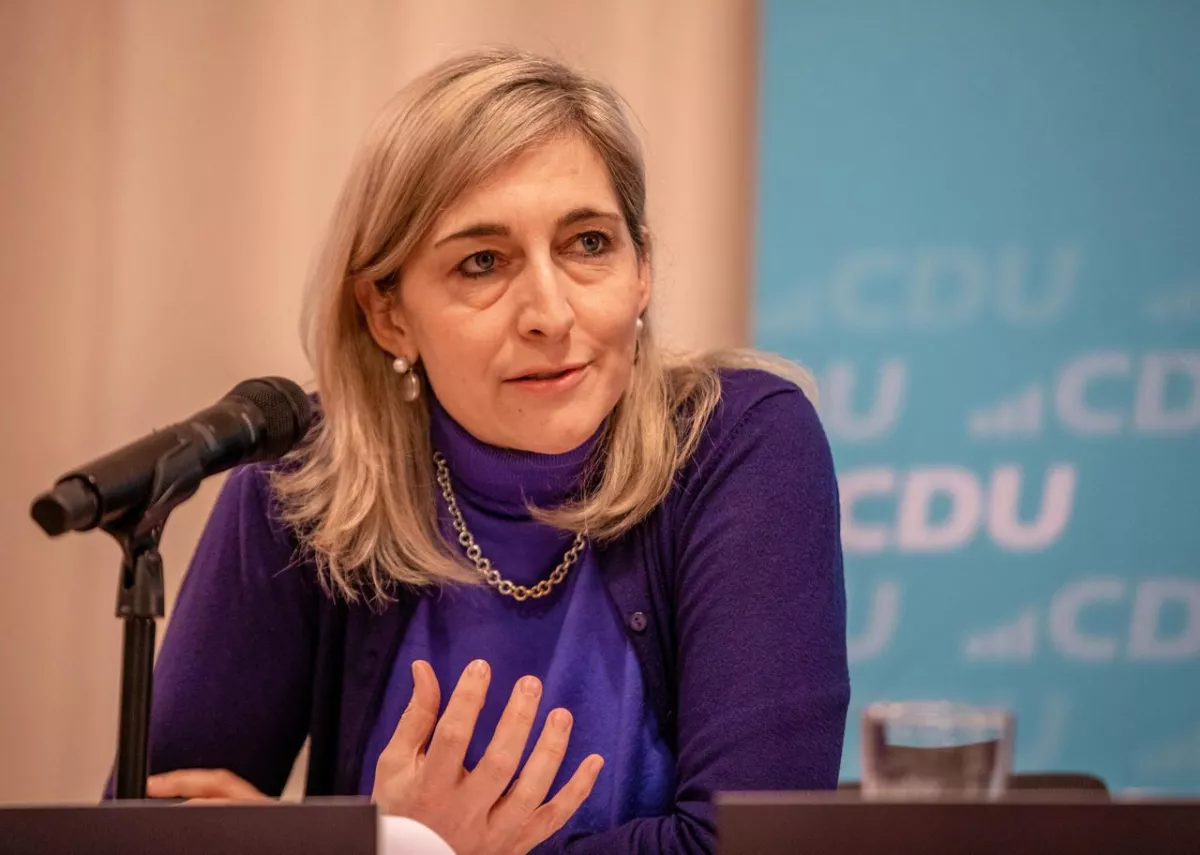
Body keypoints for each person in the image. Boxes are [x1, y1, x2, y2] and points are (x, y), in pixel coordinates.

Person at [138, 47, 849, 854]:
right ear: (388, 314)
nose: (549, 313)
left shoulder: (739, 446)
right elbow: (158, 831)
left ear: (643, 268)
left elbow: (752, 845)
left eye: (588, 243)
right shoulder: (302, 488)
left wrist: (397, 847)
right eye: (482, 262)